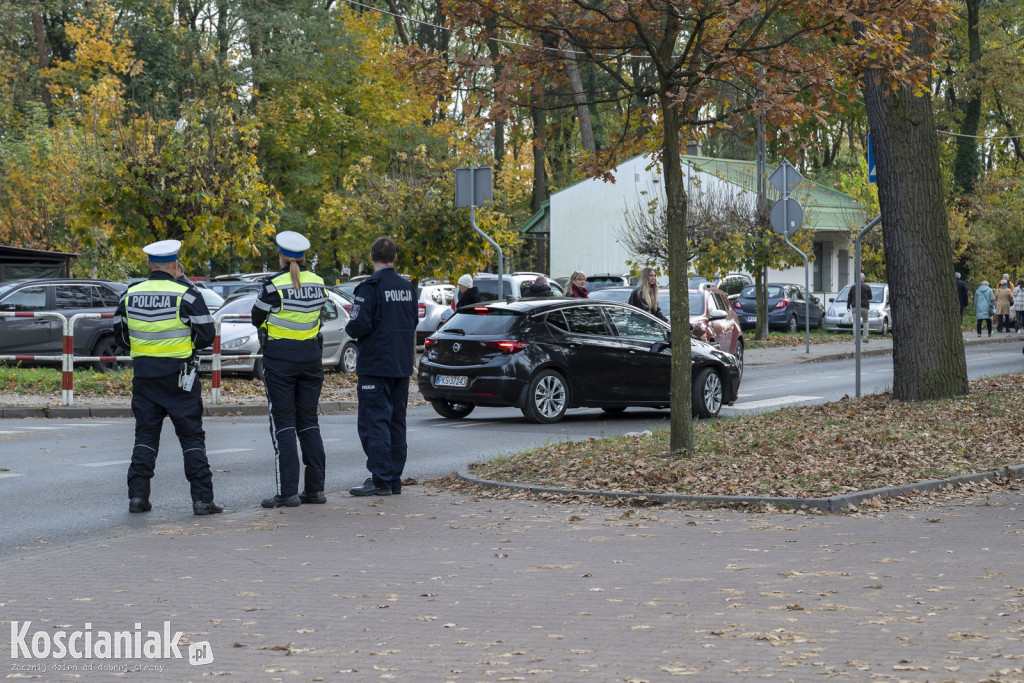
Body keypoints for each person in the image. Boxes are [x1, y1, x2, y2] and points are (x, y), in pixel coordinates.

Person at [114, 239, 223, 516]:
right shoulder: (187, 295)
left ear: (149, 264)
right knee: (191, 437)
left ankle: (138, 497)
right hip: (180, 378)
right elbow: (207, 334)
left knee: (145, 436)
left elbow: (121, 337)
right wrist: (186, 346)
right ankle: (202, 500)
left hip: (145, 376)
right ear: (175, 265)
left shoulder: (129, 295)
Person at [251, 231, 329, 508]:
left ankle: (287, 493)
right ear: (304, 256)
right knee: (309, 422)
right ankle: (316, 491)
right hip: (311, 359)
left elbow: (256, 317)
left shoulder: (272, 285)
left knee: (283, 425)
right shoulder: (319, 282)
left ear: (282, 256)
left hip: (280, 360)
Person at [346, 236, 418, 496]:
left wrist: (351, 328)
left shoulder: (370, 287)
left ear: (371, 257)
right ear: (395, 258)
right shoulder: (408, 287)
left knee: (374, 422)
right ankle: (393, 479)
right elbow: (413, 322)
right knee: (397, 422)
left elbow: (358, 325)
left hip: (375, 365)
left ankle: (380, 480)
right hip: (401, 365)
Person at [847, 273, 872, 343]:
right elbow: (870, 297)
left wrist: (848, 306)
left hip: (855, 307)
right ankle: (865, 338)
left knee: (855, 323)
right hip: (864, 307)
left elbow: (849, 297)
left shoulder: (853, 287)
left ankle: (856, 338)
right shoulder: (867, 287)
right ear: (863, 279)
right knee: (865, 321)